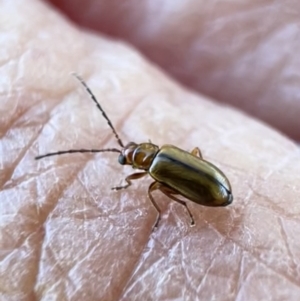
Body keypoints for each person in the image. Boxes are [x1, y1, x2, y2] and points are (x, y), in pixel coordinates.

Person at [1, 1, 300, 300]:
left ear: (138, 161)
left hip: (212, 190)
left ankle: (185, 208)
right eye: (130, 154)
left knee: (152, 192)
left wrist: (179, 204)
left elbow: (161, 186)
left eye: (129, 157)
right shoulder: (165, 151)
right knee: (168, 180)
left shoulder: (155, 171)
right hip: (213, 182)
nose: (128, 157)